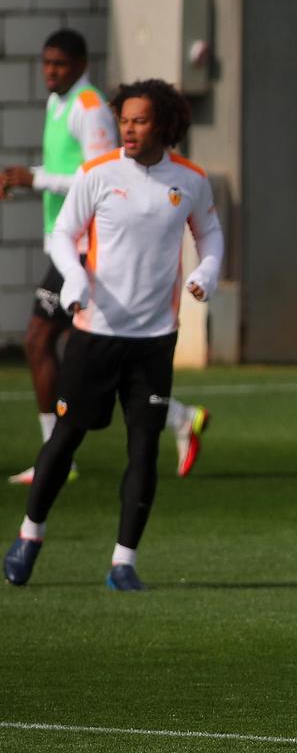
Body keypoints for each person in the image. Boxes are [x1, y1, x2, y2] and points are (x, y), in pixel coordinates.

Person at [3, 79, 221, 590]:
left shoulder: (189, 179)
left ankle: (124, 562)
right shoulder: (97, 173)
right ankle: (29, 536)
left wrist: (204, 274)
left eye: (140, 120)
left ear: (164, 126)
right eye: (124, 118)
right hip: (95, 333)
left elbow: (209, 233)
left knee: (143, 449)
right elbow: (63, 234)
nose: (127, 127)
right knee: (65, 439)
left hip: (155, 340)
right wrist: (75, 277)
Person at [3, 30, 208, 485]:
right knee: (80, 351)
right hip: (66, 242)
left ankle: (56, 456)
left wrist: (34, 179)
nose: (50, 71)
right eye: (46, 62)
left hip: (86, 249)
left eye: (59, 63)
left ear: (80, 65)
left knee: (40, 341)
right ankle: (178, 417)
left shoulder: (90, 109)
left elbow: (96, 176)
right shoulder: (59, 104)